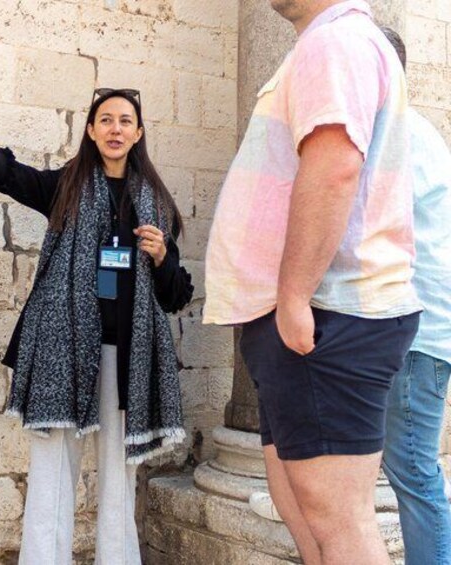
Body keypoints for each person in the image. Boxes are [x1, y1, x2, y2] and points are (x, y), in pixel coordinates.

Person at [0, 89, 193, 564]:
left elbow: (175, 295)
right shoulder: (67, 187)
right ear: (91, 130)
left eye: (125, 121)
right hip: (63, 349)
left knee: (119, 481)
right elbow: (9, 175)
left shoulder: (157, 205)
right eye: (105, 120)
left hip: (127, 358)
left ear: (138, 133)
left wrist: (162, 258)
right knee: (52, 473)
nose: (115, 129)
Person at [204, 1, 421, 564]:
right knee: (309, 515)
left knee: (338, 520)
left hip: (326, 311)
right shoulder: (331, 42)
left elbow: (334, 168)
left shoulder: (336, 42)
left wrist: (295, 296)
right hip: (315, 312)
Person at [378, 26, 451, 565]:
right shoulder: (415, 130)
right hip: (423, 330)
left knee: (414, 471)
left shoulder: (397, 134)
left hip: (416, 332)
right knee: (412, 468)